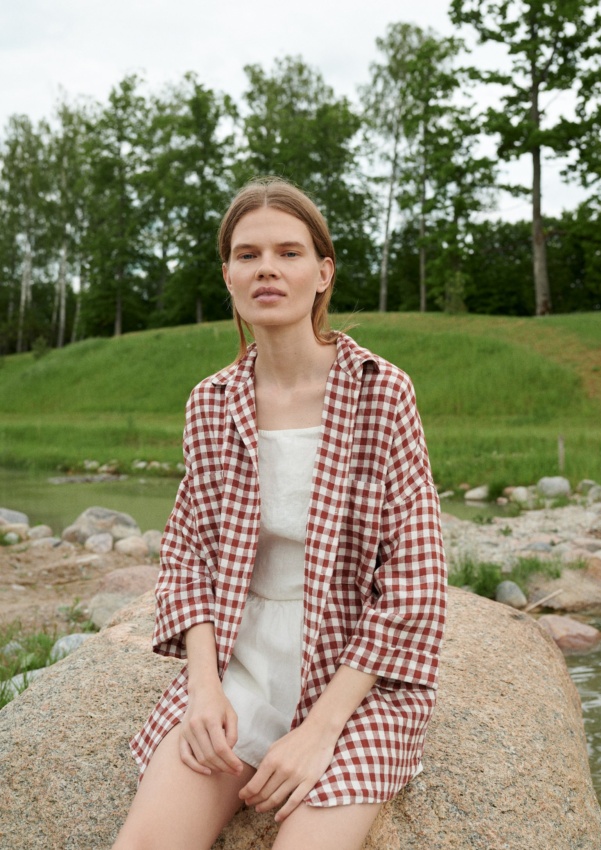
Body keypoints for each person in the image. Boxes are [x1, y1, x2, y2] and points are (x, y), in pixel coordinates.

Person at [112, 177, 447, 850]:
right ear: (230, 276)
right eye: (248, 254)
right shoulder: (210, 402)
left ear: (323, 273)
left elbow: (415, 583)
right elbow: (187, 559)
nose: (267, 267)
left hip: (355, 675)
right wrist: (205, 692)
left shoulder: (382, 392)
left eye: (289, 253)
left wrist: (319, 732)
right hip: (241, 656)